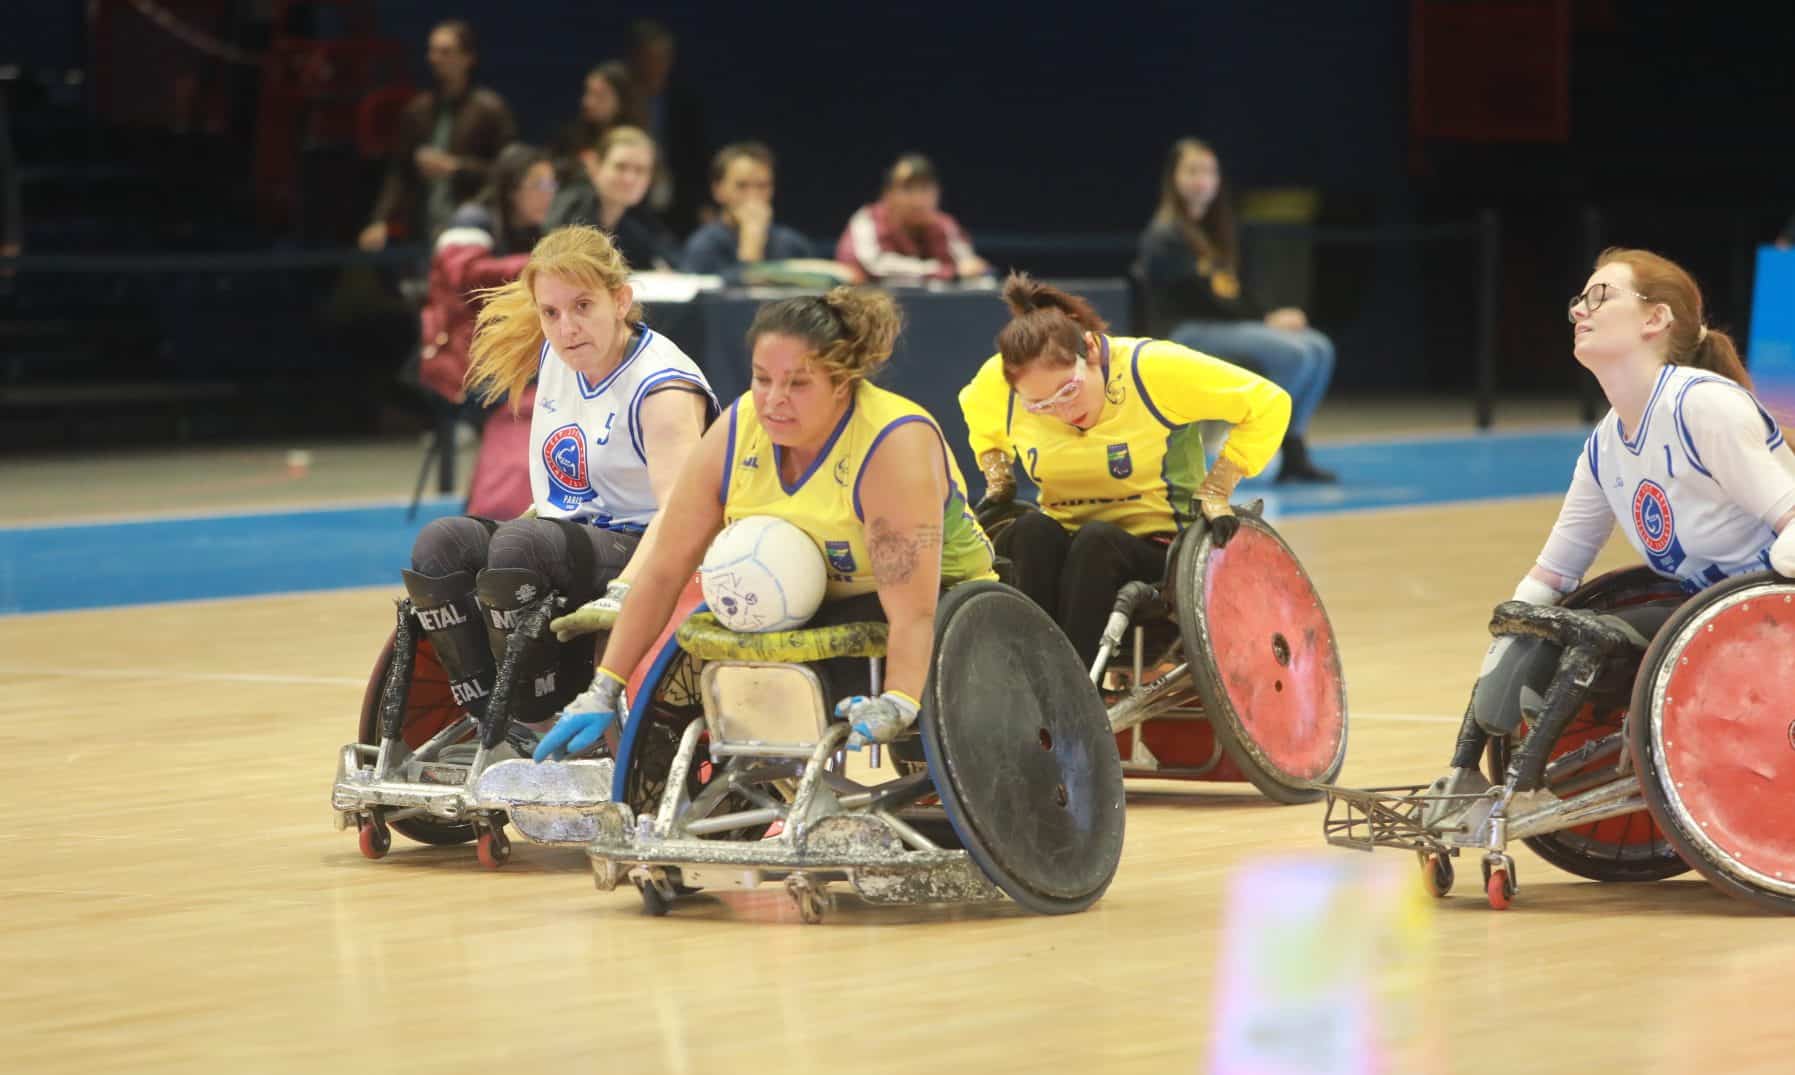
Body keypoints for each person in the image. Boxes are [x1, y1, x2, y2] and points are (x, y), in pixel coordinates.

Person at [533, 287, 998, 761]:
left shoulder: (892, 444)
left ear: (842, 384)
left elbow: (913, 612)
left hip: (939, 603)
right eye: (762, 379)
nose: (774, 400)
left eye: (797, 384)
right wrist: (603, 688)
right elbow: (664, 569)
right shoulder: (738, 429)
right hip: (807, 601)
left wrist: (898, 701)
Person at [1427, 247, 1795, 806]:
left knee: (1605, 637)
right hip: (1716, 625)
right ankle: (1474, 780)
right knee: (1563, 631)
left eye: (1601, 296)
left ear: (1655, 319)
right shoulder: (1605, 446)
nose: (1580, 310)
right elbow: (1553, 574)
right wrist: (1512, 643)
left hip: (1771, 621)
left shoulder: (1702, 407)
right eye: (1580, 299)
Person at [401, 225, 717, 753]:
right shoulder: (559, 356)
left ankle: (536, 711)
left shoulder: (662, 386)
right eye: (550, 312)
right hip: (573, 541)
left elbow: (681, 515)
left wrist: (624, 593)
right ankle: (485, 710)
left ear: (621, 300)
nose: (566, 327)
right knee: (442, 543)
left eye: (582, 306)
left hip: (653, 552)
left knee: (521, 545)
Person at [958, 273, 1291, 667]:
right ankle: (1026, 669)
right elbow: (978, 413)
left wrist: (1217, 488)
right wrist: (999, 478)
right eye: (1041, 406)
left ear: (1090, 350)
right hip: (1067, 541)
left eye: (1069, 390)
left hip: (1163, 550)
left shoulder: (1153, 369)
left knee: (1097, 542)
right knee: (1029, 531)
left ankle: (1072, 681)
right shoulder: (999, 382)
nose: (1061, 410)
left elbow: (1268, 403)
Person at [1136, 137, 1336, 483]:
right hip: (1187, 329)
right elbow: (1202, 299)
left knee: (1320, 347)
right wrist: (1266, 320)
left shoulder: (1215, 230)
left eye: (1209, 172)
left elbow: (1234, 291)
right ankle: (1249, 435)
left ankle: (1293, 449)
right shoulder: (1164, 235)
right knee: (1296, 354)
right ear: (1174, 178)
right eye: (1192, 171)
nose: (1202, 180)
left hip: (1225, 324)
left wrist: (1270, 315)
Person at [359, 20, 518, 251]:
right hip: (422, 224)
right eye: (432, 51)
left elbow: (508, 172)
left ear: (468, 58)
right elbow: (400, 172)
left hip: (474, 223)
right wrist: (380, 219)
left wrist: (456, 168)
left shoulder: (491, 110)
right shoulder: (417, 110)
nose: (435, 58)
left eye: (445, 51)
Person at [835, 153, 988, 284]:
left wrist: (970, 268)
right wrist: (942, 270)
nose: (917, 199)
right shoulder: (866, 220)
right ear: (887, 194)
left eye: (925, 188)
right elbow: (877, 265)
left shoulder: (944, 224)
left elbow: (967, 264)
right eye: (907, 189)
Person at [544, 126, 682, 271]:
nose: (630, 179)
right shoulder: (570, 210)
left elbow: (672, 258)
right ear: (595, 166)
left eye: (640, 170)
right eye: (620, 167)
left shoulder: (636, 221)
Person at [681, 142, 814, 278]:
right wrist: (750, 248)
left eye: (762, 186)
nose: (753, 196)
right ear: (718, 190)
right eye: (741, 186)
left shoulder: (793, 244)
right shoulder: (704, 246)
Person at [551, 61, 642, 164]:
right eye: (588, 92)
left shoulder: (637, 145)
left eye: (600, 96)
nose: (587, 102)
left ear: (622, 101)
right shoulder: (570, 138)